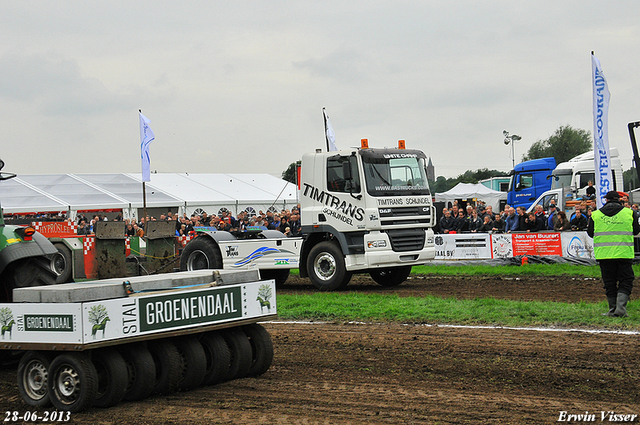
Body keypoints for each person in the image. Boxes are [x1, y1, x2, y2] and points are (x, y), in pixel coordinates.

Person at [587, 191, 640, 317]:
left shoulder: (596, 214)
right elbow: (637, 230)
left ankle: (612, 310)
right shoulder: (630, 213)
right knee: (626, 280)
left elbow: (590, 233)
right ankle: (621, 309)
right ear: (619, 199)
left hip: (604, 255)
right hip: (624, 253)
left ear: (606, 200)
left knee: (609, 282)